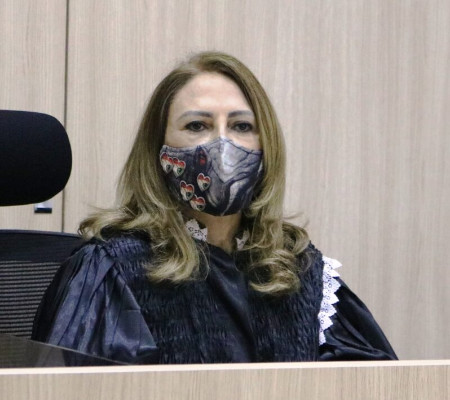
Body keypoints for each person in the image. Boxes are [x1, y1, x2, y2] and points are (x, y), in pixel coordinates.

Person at [32, 51, 397, 364]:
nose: (223, 145)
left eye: (241, 126)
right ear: (158, 149)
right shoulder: (114, 268)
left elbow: (370, 382)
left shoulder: (300, 270)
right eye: (197, 125)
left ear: (266, 145)